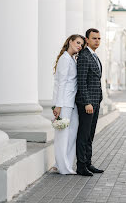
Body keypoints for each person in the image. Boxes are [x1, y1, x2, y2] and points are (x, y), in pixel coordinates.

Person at [52, 34, 85, 174]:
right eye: (77, 42)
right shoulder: (65, 59)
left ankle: (66, 164)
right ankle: (62, 167)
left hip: (72, 102)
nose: (79, 46)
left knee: (72, 133)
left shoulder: (72, 59)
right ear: (70, 41)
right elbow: (61, 83)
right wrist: (58, 105)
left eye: (81, 44)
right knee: (62, 135)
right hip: (64, 102)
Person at [75, 28, 104, 176]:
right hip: (87, 103)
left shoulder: (94, 56)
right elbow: (81, 82)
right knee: (84, 134)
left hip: (95, 102)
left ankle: (88, 163)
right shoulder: (84, 57)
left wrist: (98, 100)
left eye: (99, 38)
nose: (97, 41)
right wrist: (87, 102)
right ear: (87, 40)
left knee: (91, 134)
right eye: (94, 38)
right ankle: (80, 166)